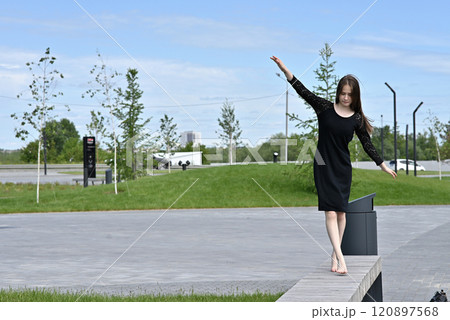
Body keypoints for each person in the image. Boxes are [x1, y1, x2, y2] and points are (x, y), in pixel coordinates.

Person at [271, 56, 397, 274]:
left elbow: (367, 143)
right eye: (343, 93)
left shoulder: (356, 119)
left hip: (342, 168)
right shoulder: (324, 108)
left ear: (355, 96)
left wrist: (382, 165)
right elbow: (303, 91)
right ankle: (341, 258)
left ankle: (334, 254)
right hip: (323, 165)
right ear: (338, 92)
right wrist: (284, 69)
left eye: (350, 94)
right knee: (330, 213)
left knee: (341, 214)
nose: (346, 97)